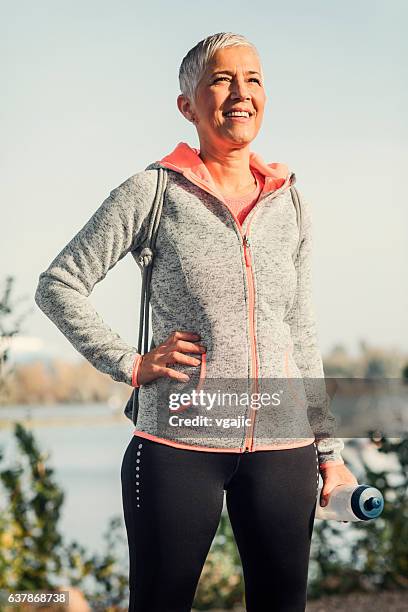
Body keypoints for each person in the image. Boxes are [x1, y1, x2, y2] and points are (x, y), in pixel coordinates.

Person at [35, 32, 358, 612]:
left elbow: (299, 331)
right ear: (188, 105)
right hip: (178, 444)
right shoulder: (153, 191)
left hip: (283, 445)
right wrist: (129, 363)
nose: (241, 93)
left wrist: (328, 450)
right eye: (222, 79)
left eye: (253, 79)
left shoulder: (291, 201)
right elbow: (59, 284)